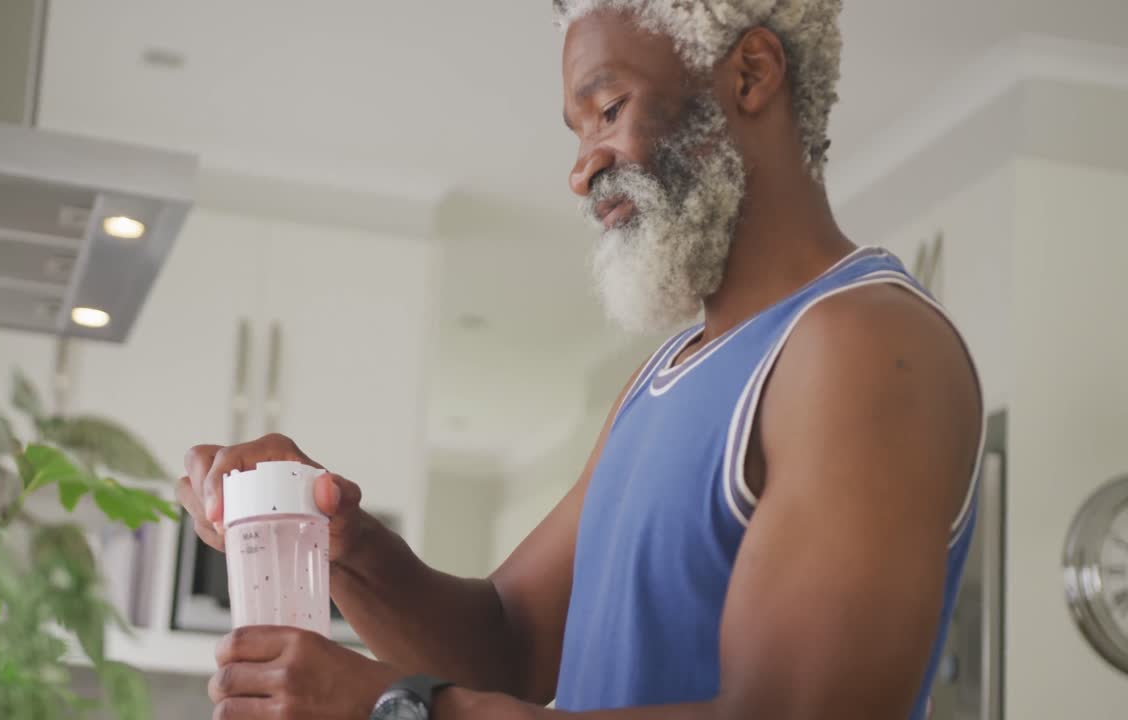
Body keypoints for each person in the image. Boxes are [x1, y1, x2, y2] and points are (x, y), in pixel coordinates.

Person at [177, 2, 984, 718]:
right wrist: (339, 539)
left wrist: (401, 711)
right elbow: (509, 643)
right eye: (579, 130)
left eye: (609, 109)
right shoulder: (665, 375)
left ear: (751, 73)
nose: (581, 169)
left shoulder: (864, 344)